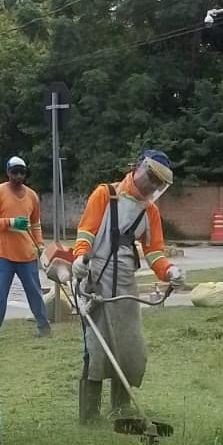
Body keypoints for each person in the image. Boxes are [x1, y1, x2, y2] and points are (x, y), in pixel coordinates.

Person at [71, 149, 185, 420]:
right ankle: (89, 416)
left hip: (125, 285)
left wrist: (169, 272)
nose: (152, 185)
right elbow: (86, 230)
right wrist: (79, 257)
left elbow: (155, 252)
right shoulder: (105, 194)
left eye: (158, 183)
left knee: (128, 346)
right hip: (96, 280)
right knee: (96, 347)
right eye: (150, 177)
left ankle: (120, 409)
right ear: (137, 168)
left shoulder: (150, 211)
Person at [0, 156, 51, 337]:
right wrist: (10, 223)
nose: (18, 176)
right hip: (3, 254)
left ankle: (44, 327)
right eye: (14, 172)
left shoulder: (32, 196)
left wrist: (40, 244)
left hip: (26, 255)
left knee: (34, 293)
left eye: (22, 172)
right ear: (8, 173)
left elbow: (35, 224)